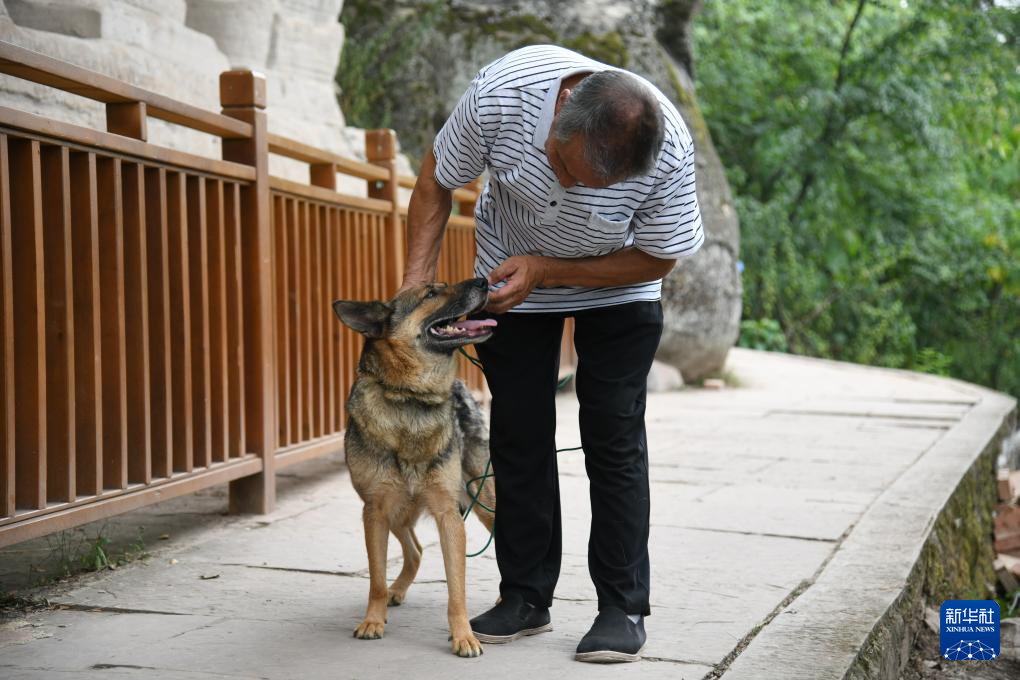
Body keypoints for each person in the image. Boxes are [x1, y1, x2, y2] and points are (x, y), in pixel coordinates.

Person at [399, 44, 704, 663]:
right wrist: (415, 290)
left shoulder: (668, 147)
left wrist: (550, 269)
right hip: (509, 276)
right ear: (563, 105)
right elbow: (436, 180)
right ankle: (524, 596)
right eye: (563, 165)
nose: (568, 185)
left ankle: (622, 606)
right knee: (520, 433)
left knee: (613, 436)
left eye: (593, 185)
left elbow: (660, 256)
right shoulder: (503, 93)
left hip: (619, 285)